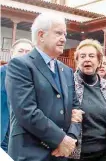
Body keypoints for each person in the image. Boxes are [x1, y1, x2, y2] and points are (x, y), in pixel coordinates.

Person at [5, 13, 83, 160]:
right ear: (41, 35)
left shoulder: (66, 71)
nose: (64, 39)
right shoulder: (21, 65)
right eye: (59, 33)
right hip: (31, 154)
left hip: (61, 154)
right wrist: (61, 139)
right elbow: (26, 110)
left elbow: (76, 109)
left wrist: (71, 138)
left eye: (65, 34)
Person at [68, 39, 106, 161]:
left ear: (99, 61)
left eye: (91, 56)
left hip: (103, 154)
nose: (87, 59)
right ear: (77, 61)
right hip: (75, 155)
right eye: (82, 56)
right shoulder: (68, 84)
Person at [1, 39, 34, 152]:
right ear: (11, 53)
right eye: (20, 51)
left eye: (28, 52)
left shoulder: (35, 78)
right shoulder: (1, 73)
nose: (24, 54)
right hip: (3, 133)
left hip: (23, 137)